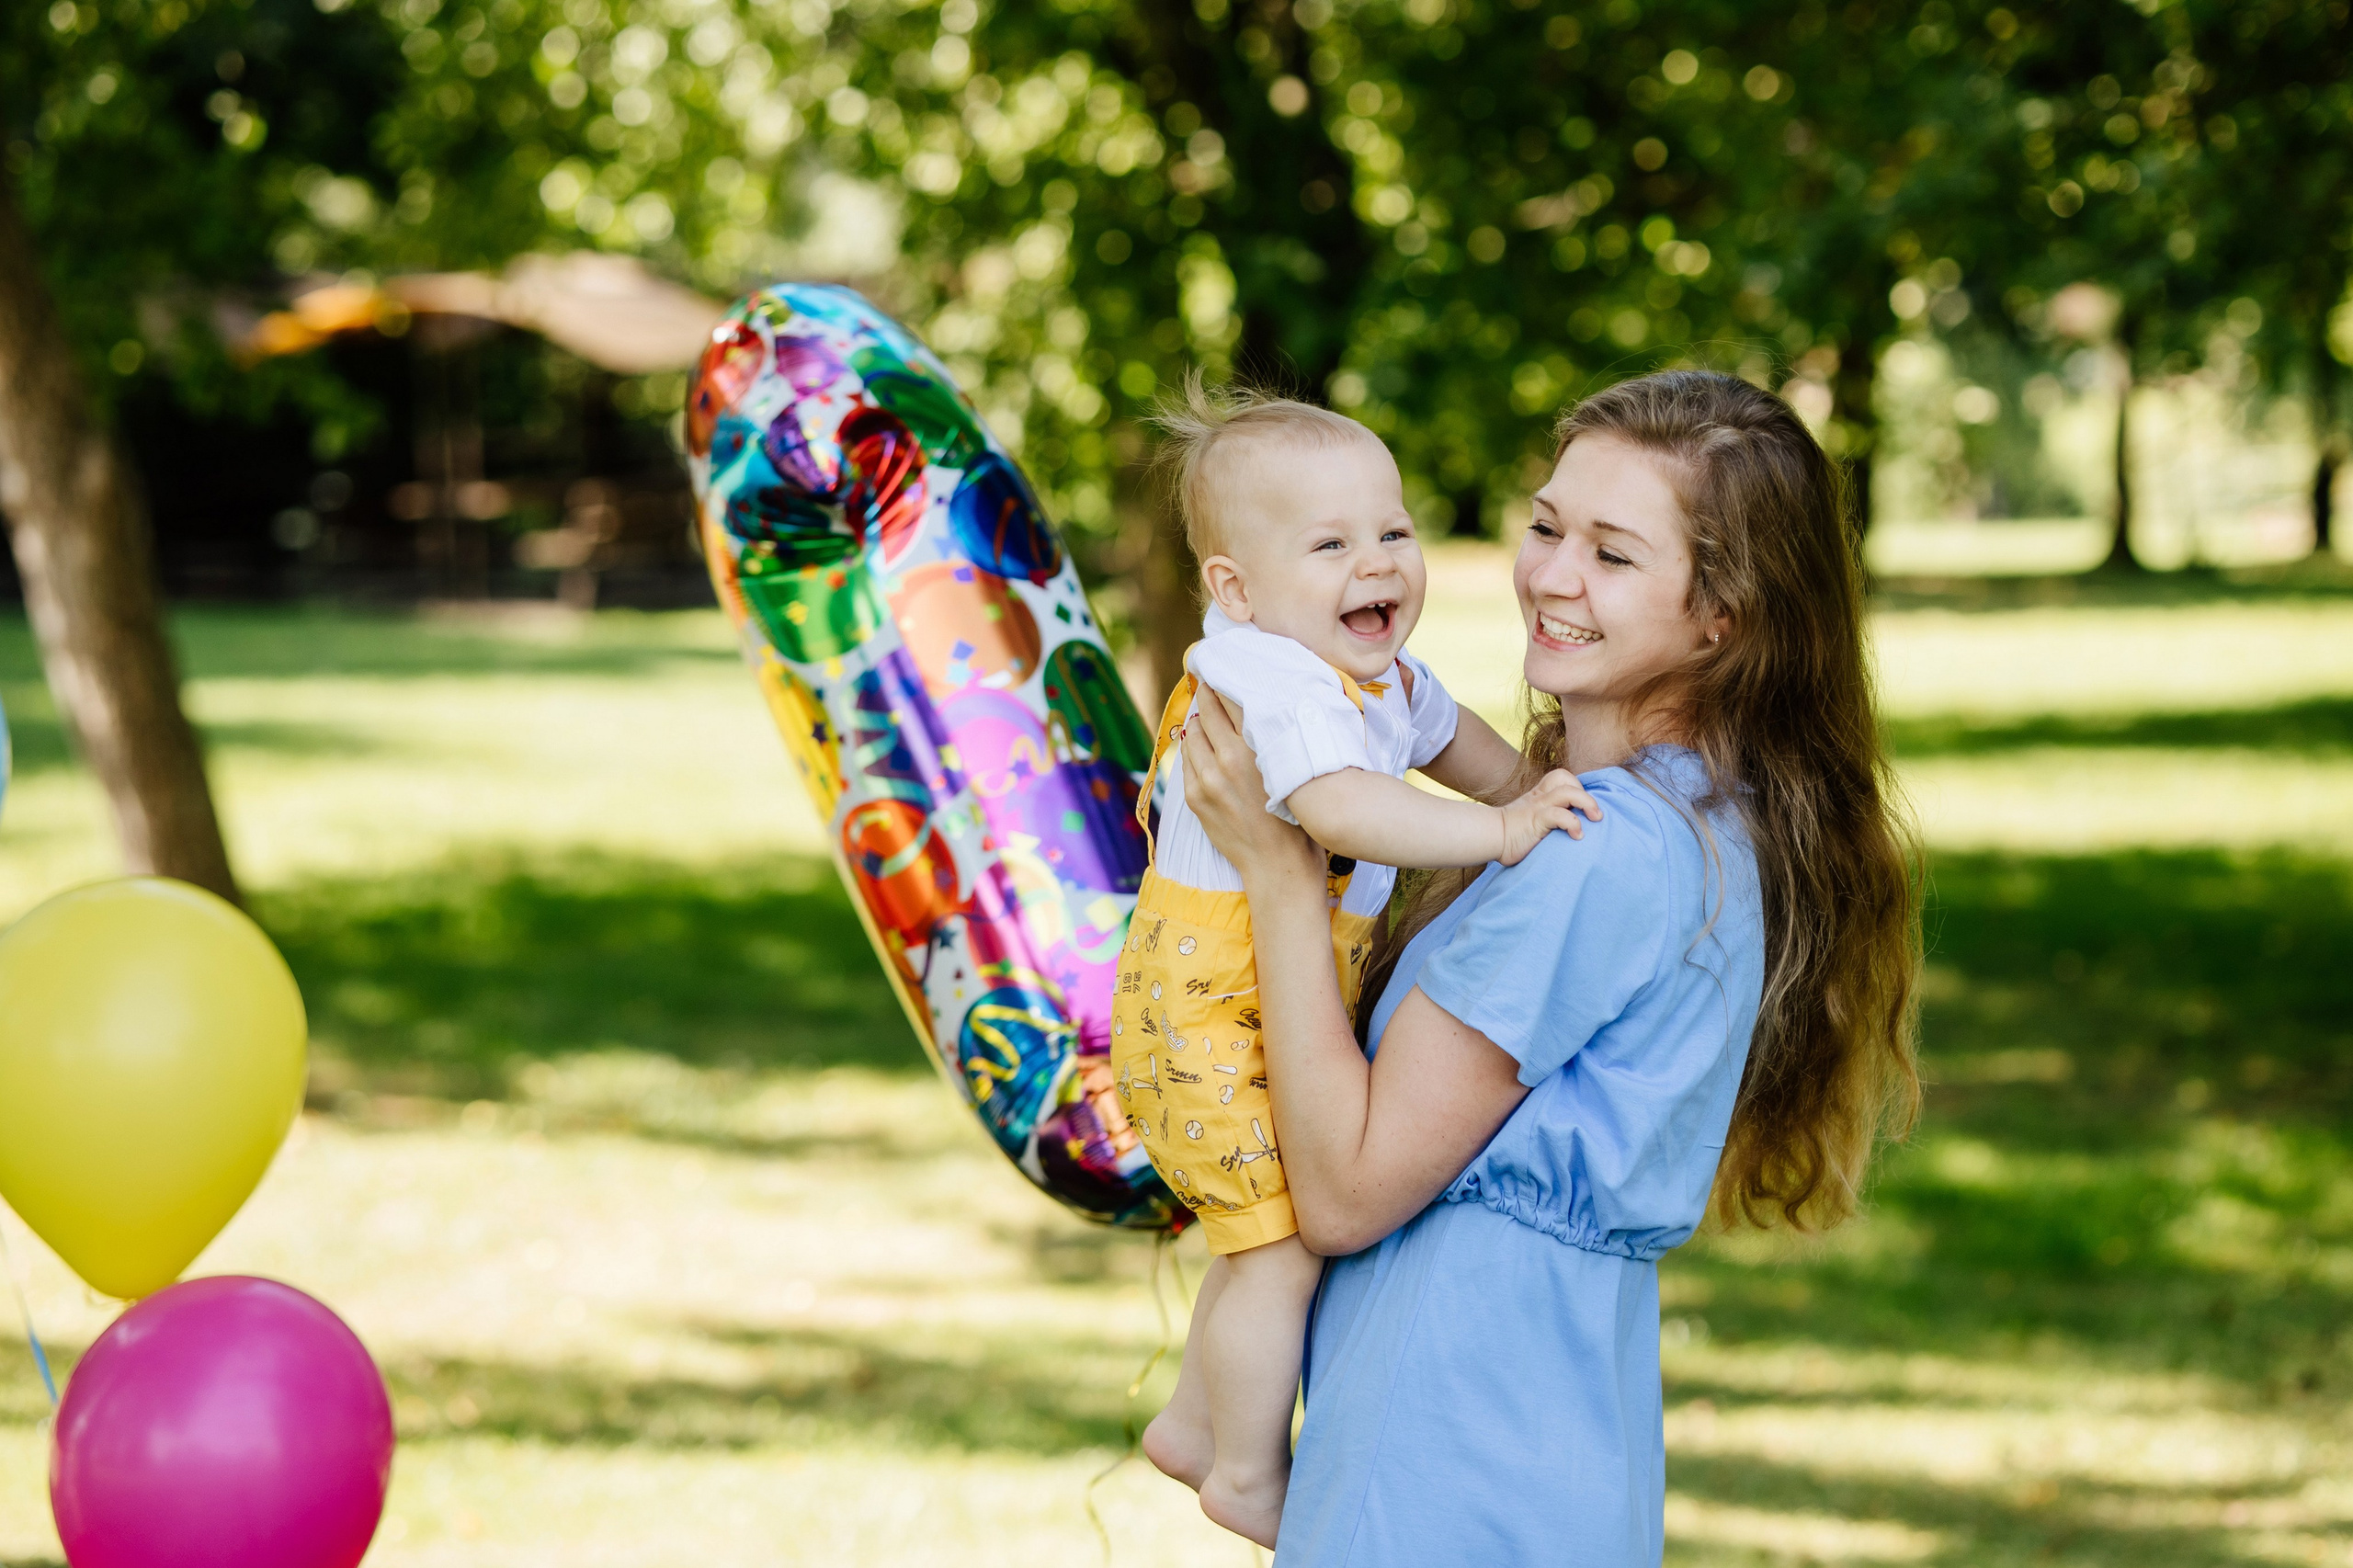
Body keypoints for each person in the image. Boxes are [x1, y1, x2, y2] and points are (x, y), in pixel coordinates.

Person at [1177, 369, 1924, 1562]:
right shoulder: (1670, 820)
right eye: (1545, 526)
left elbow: (1350, 1188)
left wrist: (1274, 870)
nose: (1551, 576)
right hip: (1533, 1421)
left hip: (1454, 1437)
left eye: (1614, 554)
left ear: (1721, 615)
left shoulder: (1600, 855)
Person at [1113, 378, 1599, 1547]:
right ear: (1236, 586)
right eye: (1328, 543)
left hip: (1254, 988)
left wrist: (1520, 790)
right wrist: (1498, 834)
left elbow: (1450, 740)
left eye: (1391, 530)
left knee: (1259, 1231)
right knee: (1277, 1251)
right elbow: (1341, 805)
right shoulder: (1269, 678)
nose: (1375, 562)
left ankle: (1190, 1420)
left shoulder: (1368, 670)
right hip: (1199, 1002)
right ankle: (1239, 1468)